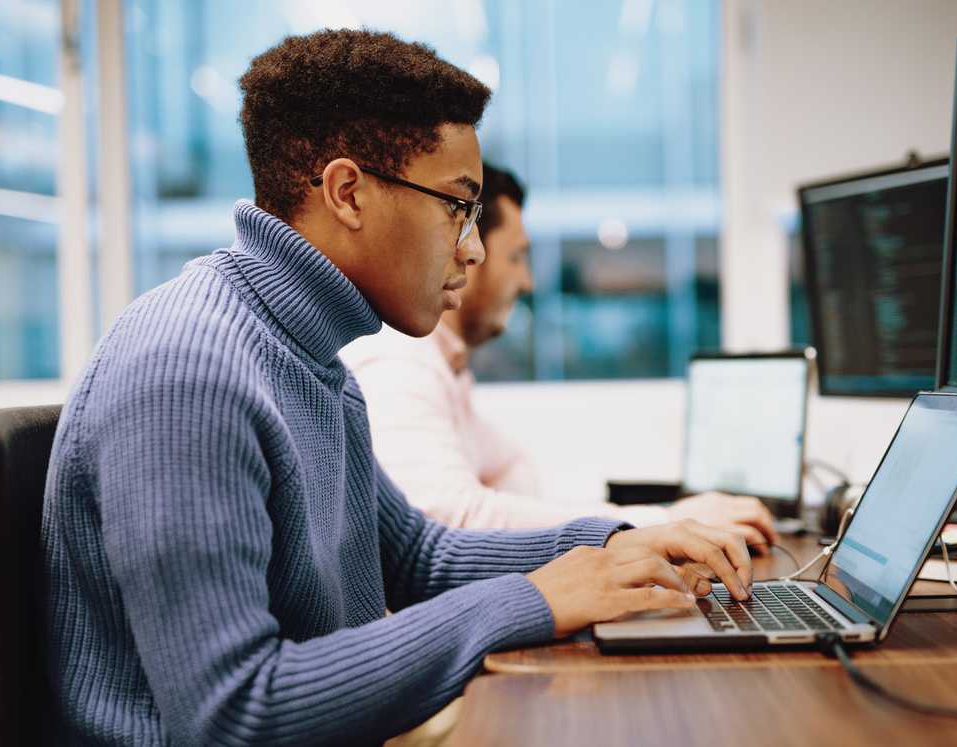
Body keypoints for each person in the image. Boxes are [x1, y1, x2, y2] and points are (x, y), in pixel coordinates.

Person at [41, 29, 752, 745]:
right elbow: (235, 713)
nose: (472, 248)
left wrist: (619, 542)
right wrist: (537, 597)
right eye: (457, 206)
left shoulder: (314, 358)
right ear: (348, 193)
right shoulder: (190, 373)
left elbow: (416, 557)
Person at [342, 163, 779, 547]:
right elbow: (452, 520)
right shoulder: (398, 361)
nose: (528, 282)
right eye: (516, 258)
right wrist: (665, 522)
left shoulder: (443, 362)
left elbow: (513, 471)